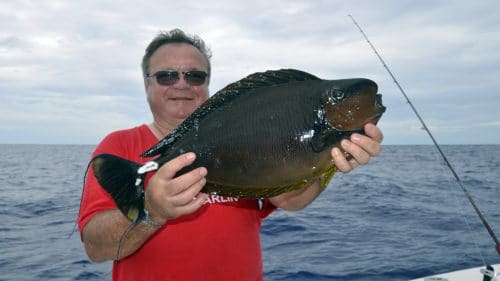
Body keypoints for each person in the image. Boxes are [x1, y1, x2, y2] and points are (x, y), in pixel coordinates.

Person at [77, 28, 384, 281]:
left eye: (195, 76)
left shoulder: (244, 133)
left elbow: (290, 199)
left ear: (207, 85)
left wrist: (328, 161)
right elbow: (95, 246)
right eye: (167, 75)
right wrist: (152, 213)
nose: (181, 84)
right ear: (146, 84)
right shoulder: (119, 145)